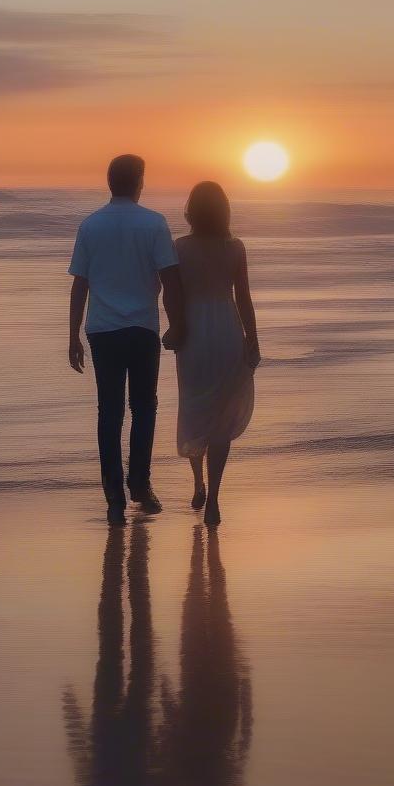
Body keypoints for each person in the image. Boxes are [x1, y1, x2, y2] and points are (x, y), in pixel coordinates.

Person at [68, 155, 186, 526]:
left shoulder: (91, 225)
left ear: (109, 183)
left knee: (110, 412)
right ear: (139, 183)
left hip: (102, 329)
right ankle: (140, 485)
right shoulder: (153, 223)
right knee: (144, 408)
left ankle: (114, 497)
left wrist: (72, 335)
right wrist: (178, 323)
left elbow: (80, 283)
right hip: (142, 328)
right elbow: (170, 279)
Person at [174, 182, 260, 526]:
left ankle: (198, 483)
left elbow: (173, 296)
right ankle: (214, 499)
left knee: (194, 406)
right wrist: (252, 338)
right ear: (224, 210)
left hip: (194, 332)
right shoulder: (235, 248)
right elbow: (244, 298)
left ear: (191, 211)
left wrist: (174, 327)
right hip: (226, 329)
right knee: (222, 416)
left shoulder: (179, 248)